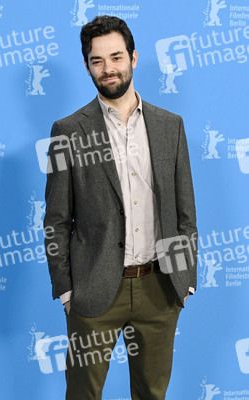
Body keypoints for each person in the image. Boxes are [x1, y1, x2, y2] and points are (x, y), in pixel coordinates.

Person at [43, 15, 198, 400]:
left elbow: (184, 211)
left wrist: (185, 280)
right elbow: (56, 220)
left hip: (160, 290)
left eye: (116, 57)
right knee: (83, 394)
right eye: (98, 61)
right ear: (87, 66)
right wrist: (66, 290)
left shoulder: (170, 126)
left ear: (133, 57)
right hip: (94, 292)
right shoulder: (68, 131)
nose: (108, 69)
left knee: (151, 394)